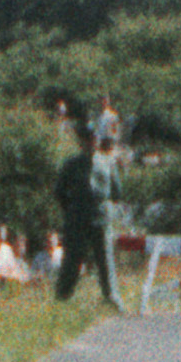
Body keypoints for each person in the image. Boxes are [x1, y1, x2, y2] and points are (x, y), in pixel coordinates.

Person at [54, 120, 121, 309]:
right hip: (78, 218)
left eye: (95, 138)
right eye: (88, 139)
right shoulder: (71, 164)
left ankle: (111, 296)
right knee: (73, 259)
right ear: (81, 142)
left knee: (105, 259)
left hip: (101, 217)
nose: (92, 142)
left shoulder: (107, 162)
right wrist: (73, 210)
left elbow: (117, 192)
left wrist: (108, 210)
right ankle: (63, 297)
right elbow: (59, 192)